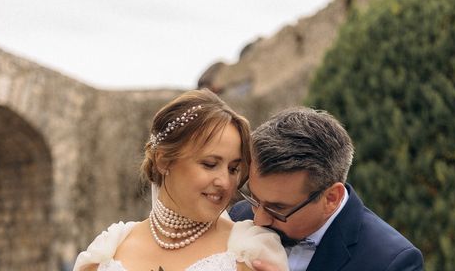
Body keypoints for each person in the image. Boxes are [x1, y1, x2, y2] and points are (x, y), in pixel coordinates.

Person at [73, 89, 289, 271]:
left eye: (233, 169)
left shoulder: (252, 249)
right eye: (210, 164)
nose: (225, 182)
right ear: (164, 161)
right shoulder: (108, 248)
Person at [229, 107, 423, 271]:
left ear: (331, 198)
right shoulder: (238, 216)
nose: (258, 219)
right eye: (254, 198)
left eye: (277, 209)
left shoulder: (391, 262)